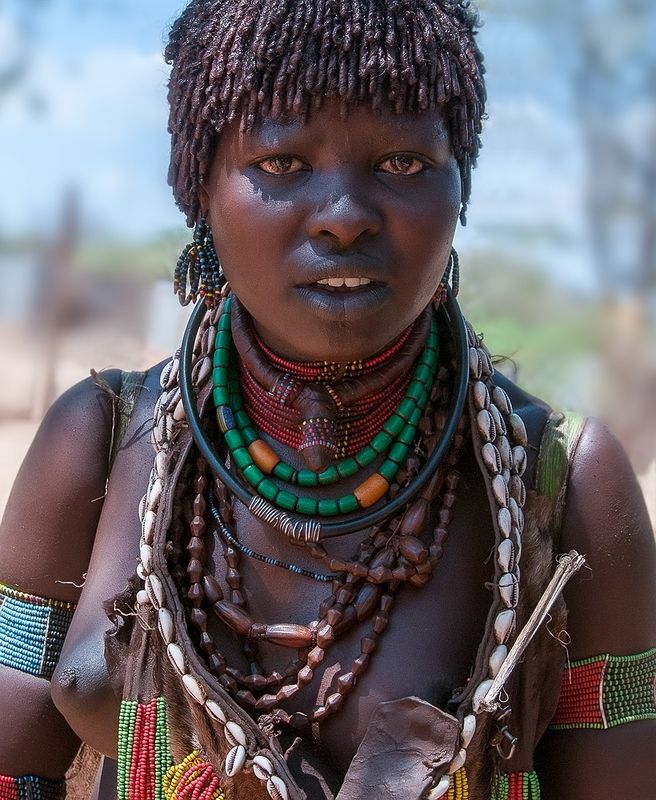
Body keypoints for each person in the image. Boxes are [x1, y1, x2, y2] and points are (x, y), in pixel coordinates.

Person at [0, 1, 654, 798]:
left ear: (461, 187)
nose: (345, 217)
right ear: (198, 185)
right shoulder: (98, 442)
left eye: (403, 164)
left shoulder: (563, 481)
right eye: (282, 163)